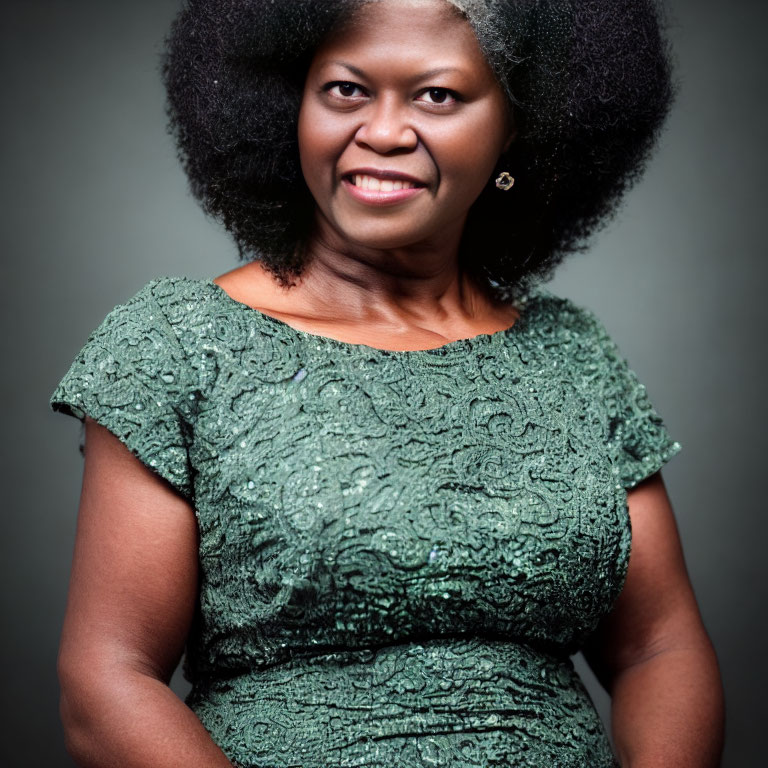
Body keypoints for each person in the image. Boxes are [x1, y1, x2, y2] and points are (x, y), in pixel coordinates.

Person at [49, 0, 725, 766]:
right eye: (345, 89)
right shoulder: (178, 344)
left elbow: (659, 649)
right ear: (287, 106)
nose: (383, 132)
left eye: (437, 95)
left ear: (518, 127)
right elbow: (107, 681)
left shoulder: (571, 354)